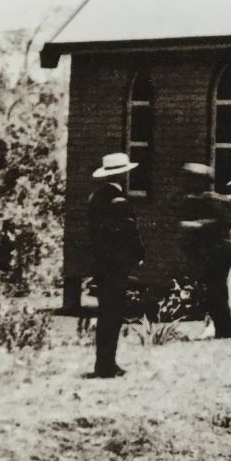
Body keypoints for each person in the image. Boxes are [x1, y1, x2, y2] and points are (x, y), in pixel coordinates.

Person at [86, 152, 145, 379]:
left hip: (100, 265)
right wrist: (138, 255)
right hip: (117, 267)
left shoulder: (94, 199)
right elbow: (131, 234)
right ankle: (107, 366)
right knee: (114, 315)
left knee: (105, 315)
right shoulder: (120, 202)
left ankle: (103, 363)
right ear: (122, 175)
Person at [177, 163, 231, 339]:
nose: (189, 183)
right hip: (203, 254)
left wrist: (198, 225)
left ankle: (225, 331)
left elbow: (225, 221)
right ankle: (222, 330)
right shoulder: (189, 200)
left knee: (217, 292)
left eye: (194, 179)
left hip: (217, 253)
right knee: (211, 293)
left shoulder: (211, 199)